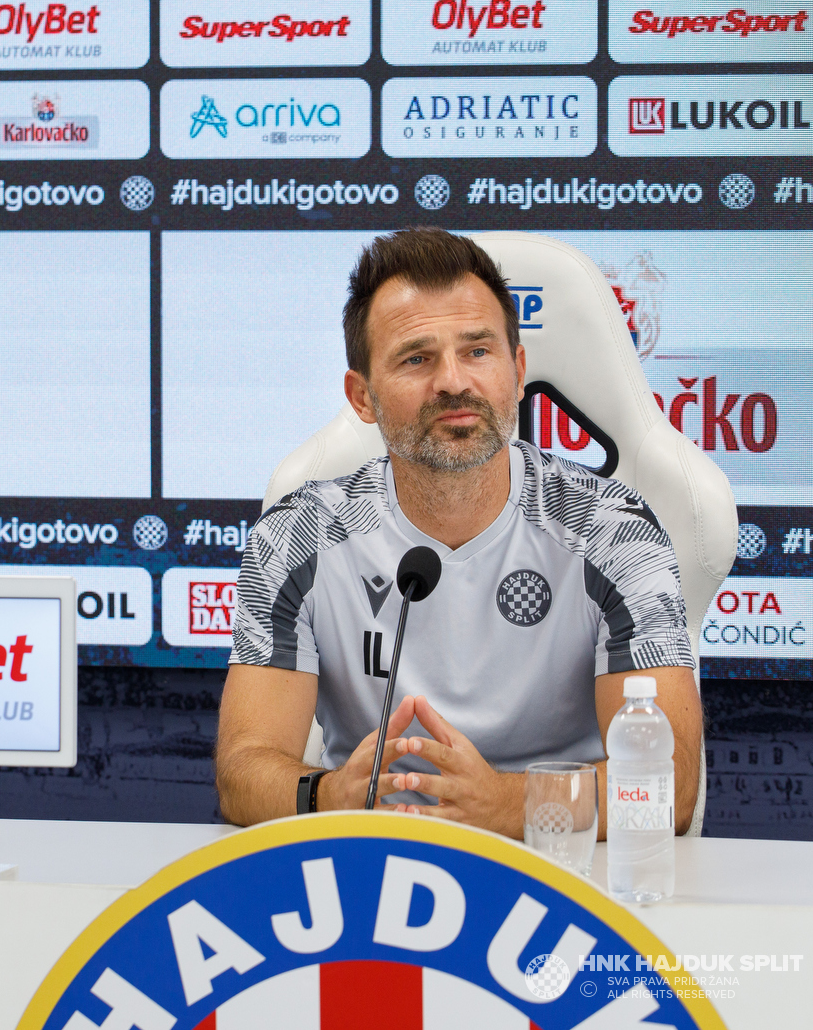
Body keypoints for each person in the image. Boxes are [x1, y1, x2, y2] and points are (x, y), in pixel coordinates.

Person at [214, 227, 701, 837]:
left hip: (563, 869)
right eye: (417, 358)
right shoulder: (299, 536)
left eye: (477, 351)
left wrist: (508, 805)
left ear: (517, 371)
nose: (453, 381)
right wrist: (329, 793)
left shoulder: (613, 534)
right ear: (361, 396)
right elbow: (242, 771)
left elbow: (670, 787)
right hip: (371, 858)